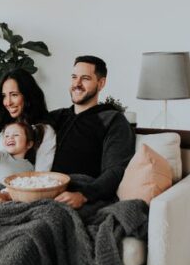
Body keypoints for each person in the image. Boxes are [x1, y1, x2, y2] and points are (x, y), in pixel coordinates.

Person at [50, 55, 135, 209]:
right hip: (45, 190)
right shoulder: (57, 117)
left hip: (81, 195)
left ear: (101, 83)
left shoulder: (112, 120)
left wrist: (84, 195)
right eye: (74, 77)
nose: (77, 84)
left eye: (85, 78)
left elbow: (116, 169)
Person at [0, 68, 56, 170]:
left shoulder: (43, 131)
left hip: (10, 184)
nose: (7, 102)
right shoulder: (0, 122)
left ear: (28, 96)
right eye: (4, 96)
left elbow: (41, 175)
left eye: (14, 95)